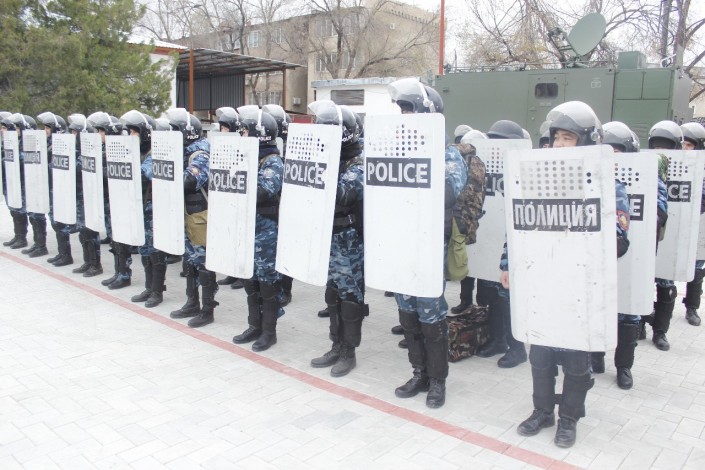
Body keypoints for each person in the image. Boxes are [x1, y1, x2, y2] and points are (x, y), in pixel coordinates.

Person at [509, 101, 630, 448]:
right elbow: (518, 228)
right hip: (544, 283)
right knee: (541, 354)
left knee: (577, 361)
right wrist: (507, 264)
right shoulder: (536, 179)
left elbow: (620, 240)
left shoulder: (608, 183)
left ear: (587, 141)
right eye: (557, 138)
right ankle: (543, 411)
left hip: (581, 286)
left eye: (568, 138)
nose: (560, 145)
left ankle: (569, 419)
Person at [387, 78, 468, 409]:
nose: (404, 117)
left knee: (431, 317)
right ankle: (419, 373)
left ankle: (437, 380)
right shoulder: (395, 149)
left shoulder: (448, 154)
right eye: (402, 111)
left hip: (429, 247)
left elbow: (448, 191)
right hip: (402, 244)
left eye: (409, 110)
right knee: (407, 314)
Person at [591, 121, 660, 389]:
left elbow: (660, 209)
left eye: (616, 151)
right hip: (599, 257)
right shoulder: (593, 176)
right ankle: (596, 356)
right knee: (599, 308)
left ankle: (624, 366)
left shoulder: (647, 177)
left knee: (628, 314)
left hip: (634, 255)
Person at [308, 101, 367, 377]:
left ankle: (348, 352)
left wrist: (317, 169)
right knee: (332, 295)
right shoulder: (332, 159)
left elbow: (343, 194)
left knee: (350, 298)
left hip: (349, 241)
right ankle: (336, 345)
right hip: (328, 238)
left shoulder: (358, 163)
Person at [473, 120, 527, 368]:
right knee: (493, 295)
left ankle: (517, 348)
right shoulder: (486, 167)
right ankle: (497, 340)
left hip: (512, 247)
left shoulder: (525, 170)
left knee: (508, 299)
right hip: (491, 239)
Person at [232, 106, 285, 352]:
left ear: (259, 134)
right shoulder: (246, 158)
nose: (241, 135)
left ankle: (269, 332)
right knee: (250, 280)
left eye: (245, 131)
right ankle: (254, 325)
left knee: (267, 282)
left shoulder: (272, 161)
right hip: (247, 229)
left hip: (266, 232)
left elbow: (263, 191)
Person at [167, 109, 218, 327]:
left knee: (204, 264)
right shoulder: (181, 152)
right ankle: (192, 302)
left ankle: (207, 309)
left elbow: (190, 181)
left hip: (200, 217)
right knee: (189, 262)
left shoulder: (200, 154)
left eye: (175, 131)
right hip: (187, 215)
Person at [643, 120, 684, 351]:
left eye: (666, 147)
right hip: (648, 237)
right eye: (657, 146)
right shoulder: (643, 169)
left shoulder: (686, 169)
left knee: (666, 285)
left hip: (671, 237)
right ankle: (639, 323)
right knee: (642, 282)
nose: (661, 151)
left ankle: (660, 331)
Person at [119, 110, 166, 308]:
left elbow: (142, 175)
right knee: (145, 250)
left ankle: (157, 290)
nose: (131, 136)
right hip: (141, 208)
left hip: (153, 210)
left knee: (155, 251)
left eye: (134, 132)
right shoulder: (138, 153)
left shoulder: (154, 154)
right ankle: (149, 287)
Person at [87, 112, 133, 290]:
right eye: (98, 131)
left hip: (121, 202)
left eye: (102, 131)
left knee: (122, 240)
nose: (100, 135)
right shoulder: (102, 150)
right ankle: (118, 272)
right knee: (114, 240)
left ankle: (124, 274)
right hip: (108, 200)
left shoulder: (123, 150)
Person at [263, 103, 294, 306]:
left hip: (287, 206)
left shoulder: (294, 146)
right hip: (274, 208)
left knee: (286, 250)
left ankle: (286, 290)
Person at [213, 107, 246, 290]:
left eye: (226, 128)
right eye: (222, 128)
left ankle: (242, 275)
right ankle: (233, 273)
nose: (223, 132)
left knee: (241, 240)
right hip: (229, 200)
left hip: (241, 202)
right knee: (231, 239)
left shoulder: (244, 147)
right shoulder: (225, 148)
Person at [37, 112, 74, 267]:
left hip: (60, 190)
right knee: (56, 223)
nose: (45, 131)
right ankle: (61, 253)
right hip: (52, 188)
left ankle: (66, 255)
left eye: (47, 128)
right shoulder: (48, 144)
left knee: (61, 224)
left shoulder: (63, 145)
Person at [68, 114, 103, 277]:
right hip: (80, 195)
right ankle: (88, 262)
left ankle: (95, 264)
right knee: (83, 233)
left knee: (91, 232)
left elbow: (77, 169)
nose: (73, 135)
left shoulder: (92, 151)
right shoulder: (78, 151)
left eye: (75, 132)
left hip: (89, 196)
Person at [1, 114, 40, 253]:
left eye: (17, 128)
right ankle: (19, 236)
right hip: (12, 181)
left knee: (28, 213)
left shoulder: (30, 143)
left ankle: (30, 241)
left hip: (25, 183)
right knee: (15, 211)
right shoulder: (13, 142)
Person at [680, 122, 705, 327]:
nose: (685, 149)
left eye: (690, 145)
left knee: (696, 266)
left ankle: (692, 306)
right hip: (675, 218)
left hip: (698, 219)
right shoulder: (669, 163)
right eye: (683, 144)